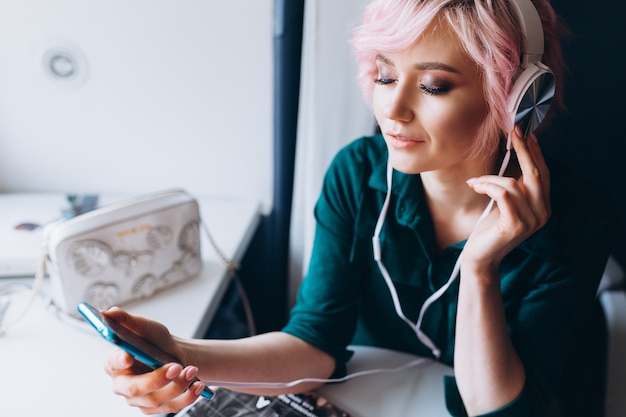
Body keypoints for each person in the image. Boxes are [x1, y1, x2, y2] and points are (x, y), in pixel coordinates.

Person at [102, 1, 617, 416]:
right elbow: (313, 342)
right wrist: (181, 356)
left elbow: (496, 410)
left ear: (517, 97)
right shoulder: (356, 174)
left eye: (434, 85)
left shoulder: (579, 219)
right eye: (386, 76)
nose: (390, 110)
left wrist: (480, 269)